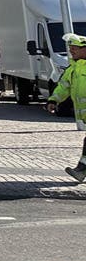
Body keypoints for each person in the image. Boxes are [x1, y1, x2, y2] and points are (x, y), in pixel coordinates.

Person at [47, 32, 86, 183]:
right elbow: (63, 87)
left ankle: (81, 170)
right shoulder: (73, 69)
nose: (71, 51)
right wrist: (53, 100)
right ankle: (81, 170)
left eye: (74, 48)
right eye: (70, 48)